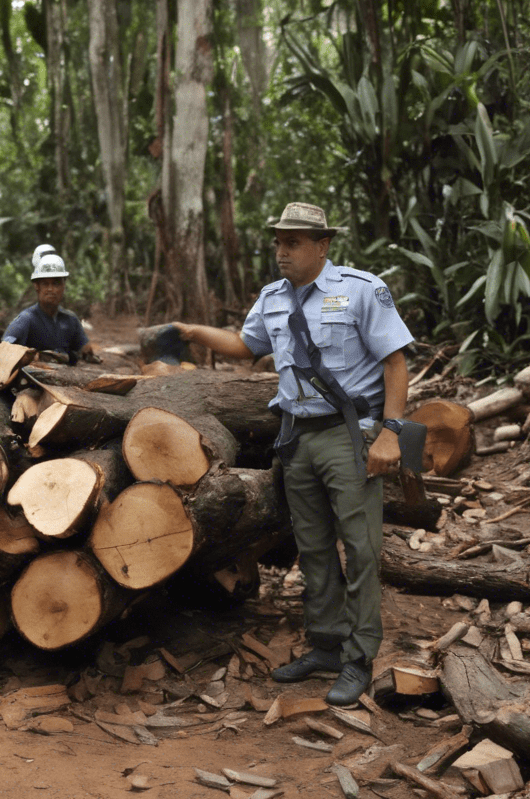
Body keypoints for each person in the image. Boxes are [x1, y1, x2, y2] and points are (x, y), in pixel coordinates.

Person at [173, 201, 413, 707]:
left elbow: (395, 361)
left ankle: (358, 657)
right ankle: (325, 646)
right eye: (279, 242)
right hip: (297, 438)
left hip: (349, 437)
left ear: (323, 246)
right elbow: (245, 344)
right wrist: (195, 332)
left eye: (294, 243)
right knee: (315, 549)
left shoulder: (361, 291)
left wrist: (390, 434)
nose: (282, 251)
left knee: (362, 550)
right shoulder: (272, 298)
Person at [2, 254, 100, 365]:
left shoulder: (70, 320)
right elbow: (4, 350)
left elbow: (86, 351)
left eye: (55, 284)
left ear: (63, 286)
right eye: (45, 284)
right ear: (37, 286)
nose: (50, 289)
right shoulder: (26, 319)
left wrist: (87, 355)